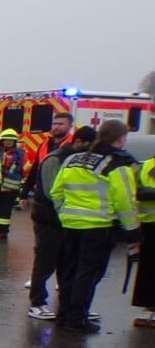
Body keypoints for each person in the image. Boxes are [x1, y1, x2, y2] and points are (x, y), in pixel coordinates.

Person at [50, 119, 140, 333]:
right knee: (88, 274)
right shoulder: (117, 164)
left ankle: (63, 314)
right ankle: (76, 319)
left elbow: (56, 192)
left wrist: (64, 214)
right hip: (98, 227)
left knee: (68, 271)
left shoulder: (72, 159)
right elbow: (125, 201)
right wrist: (133, 231)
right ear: (121, 139)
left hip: (70, 225)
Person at [26, 126, 93, 321]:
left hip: (66, 221)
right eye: (89, 146)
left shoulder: (74, 159)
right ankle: (37, 302)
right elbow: (52, 192)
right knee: (45, 262)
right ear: (78, 142)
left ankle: (67, 303)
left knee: (67, 264)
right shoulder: (55, 159)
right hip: (49, 220)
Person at [128, 155, 155, 328]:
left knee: (147, 268)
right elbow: (133, 190)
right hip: (148, 225)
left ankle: (149, 309)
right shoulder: (142, 166)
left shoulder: (142, 165)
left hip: (146, 225)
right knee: (147, 268)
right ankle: (149, 309)